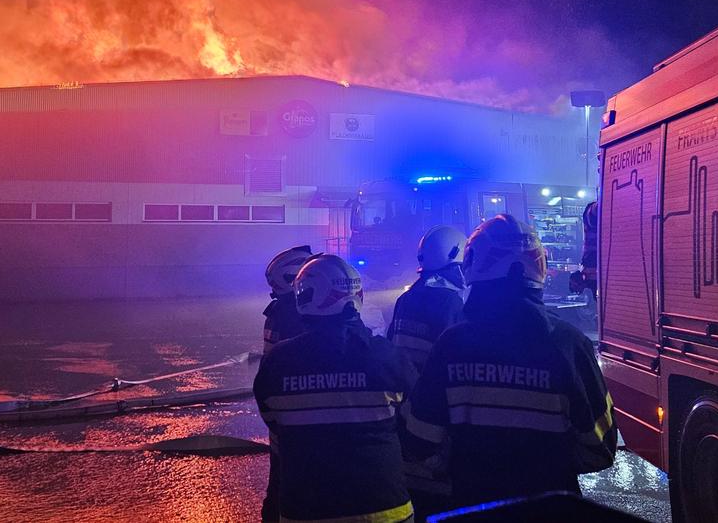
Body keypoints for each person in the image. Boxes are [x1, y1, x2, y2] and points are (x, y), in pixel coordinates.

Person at [401, 214, 617, 513]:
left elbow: (419, 439)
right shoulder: (569, 344)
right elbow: (600, 448)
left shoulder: (452, 345)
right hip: (552, 511)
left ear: (474, 265)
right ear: (538, 266)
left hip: (473, 506)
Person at [254, 254, 416, 523]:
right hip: (385, 509)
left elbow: (274, 422)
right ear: (356, 296)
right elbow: (413, 422)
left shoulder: (278, 363)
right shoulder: (387, 357)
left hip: (305, 510)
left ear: (304, 298)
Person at [387, 226, 467, 520]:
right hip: (433, 415)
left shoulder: (406, 299)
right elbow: (453, 364)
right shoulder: (450, 302)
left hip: (404, 409)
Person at [259, 244, 315, 521]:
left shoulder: (277, 311)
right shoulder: (296, 316)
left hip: (282, 427)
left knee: (279, 489)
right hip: (302, 432)